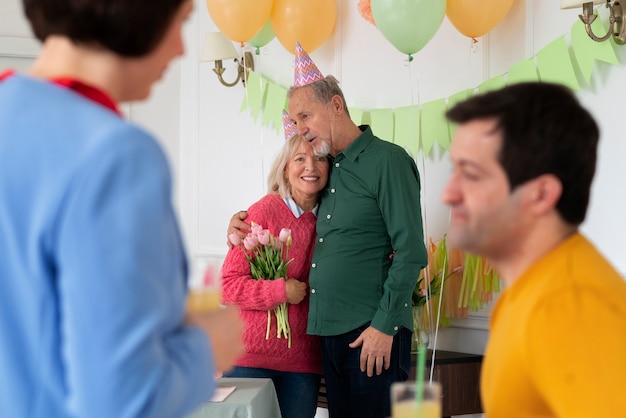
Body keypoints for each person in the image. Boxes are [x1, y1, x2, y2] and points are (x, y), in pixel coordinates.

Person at [0, 1, 244, 417]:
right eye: (181, 22)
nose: (181, 49)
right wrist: (210, 346)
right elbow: (124, 402)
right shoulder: (116, 156)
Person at [229, 43, 428, 418]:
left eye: (306, 117)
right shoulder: (330, 169)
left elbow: (411, 251)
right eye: (294, 120)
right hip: (329, 339)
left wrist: (384, 327)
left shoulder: (387, 161)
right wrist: (240, 220)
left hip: (373, 332)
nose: (299, 130)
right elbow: (289, 201)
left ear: (336, 106)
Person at [442, 81, 626, 417]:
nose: (449, 194)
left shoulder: (570, 303)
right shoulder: (527, 293)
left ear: (541, 194)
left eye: (470, 174)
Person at [220, 125, 328, 418]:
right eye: (300, 159)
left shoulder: (333, 219)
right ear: (285, 169)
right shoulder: (264, 211)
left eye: (320, 159)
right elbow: (228, 286)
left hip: (303, 363)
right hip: (249, 359)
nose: (311, 167)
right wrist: (280, 290)